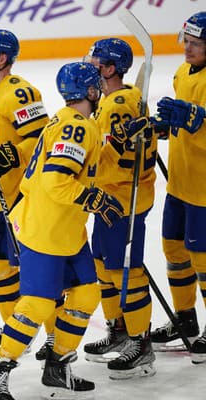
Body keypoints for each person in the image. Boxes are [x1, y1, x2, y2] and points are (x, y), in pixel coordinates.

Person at [0, 62, 129, 400]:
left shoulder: (67, 120)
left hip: (66, 230)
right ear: (90, 91)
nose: (101, 91)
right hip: (46, 229)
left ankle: (57, 365)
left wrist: (121, 141)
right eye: (97, 87)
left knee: (87, 293)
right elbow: (57, 181)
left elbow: (84, 166)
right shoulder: (77, 127)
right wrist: (95, 199)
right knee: (38, 303)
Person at [82, 38, 157, 379]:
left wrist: (85, 169)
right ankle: (120, 330)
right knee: (103, 266)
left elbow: (122, 163)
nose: (89, 68)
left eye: (95, 63)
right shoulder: (114, 100)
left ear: (110, 69)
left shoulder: (117, 104)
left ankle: (140, 344)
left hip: (122, 201)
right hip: (109, 199)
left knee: (126, 271)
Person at [0, 29, 50, 353]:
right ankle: (15, 330)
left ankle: (56, 339)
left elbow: (43, 140)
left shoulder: (21, 93)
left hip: (20, 197)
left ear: (1, 59)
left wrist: (11, 154)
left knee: (32, 272)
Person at [149, 11, 206, 364]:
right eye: (187, 41)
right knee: (174, 251)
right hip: (180, 183)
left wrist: (197, 120)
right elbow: (183, 125)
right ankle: (185, 318)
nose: (188, 49)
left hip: (204, 190)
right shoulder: (183, 72)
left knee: (203, 260)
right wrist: (165, 126)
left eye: (197, 44)